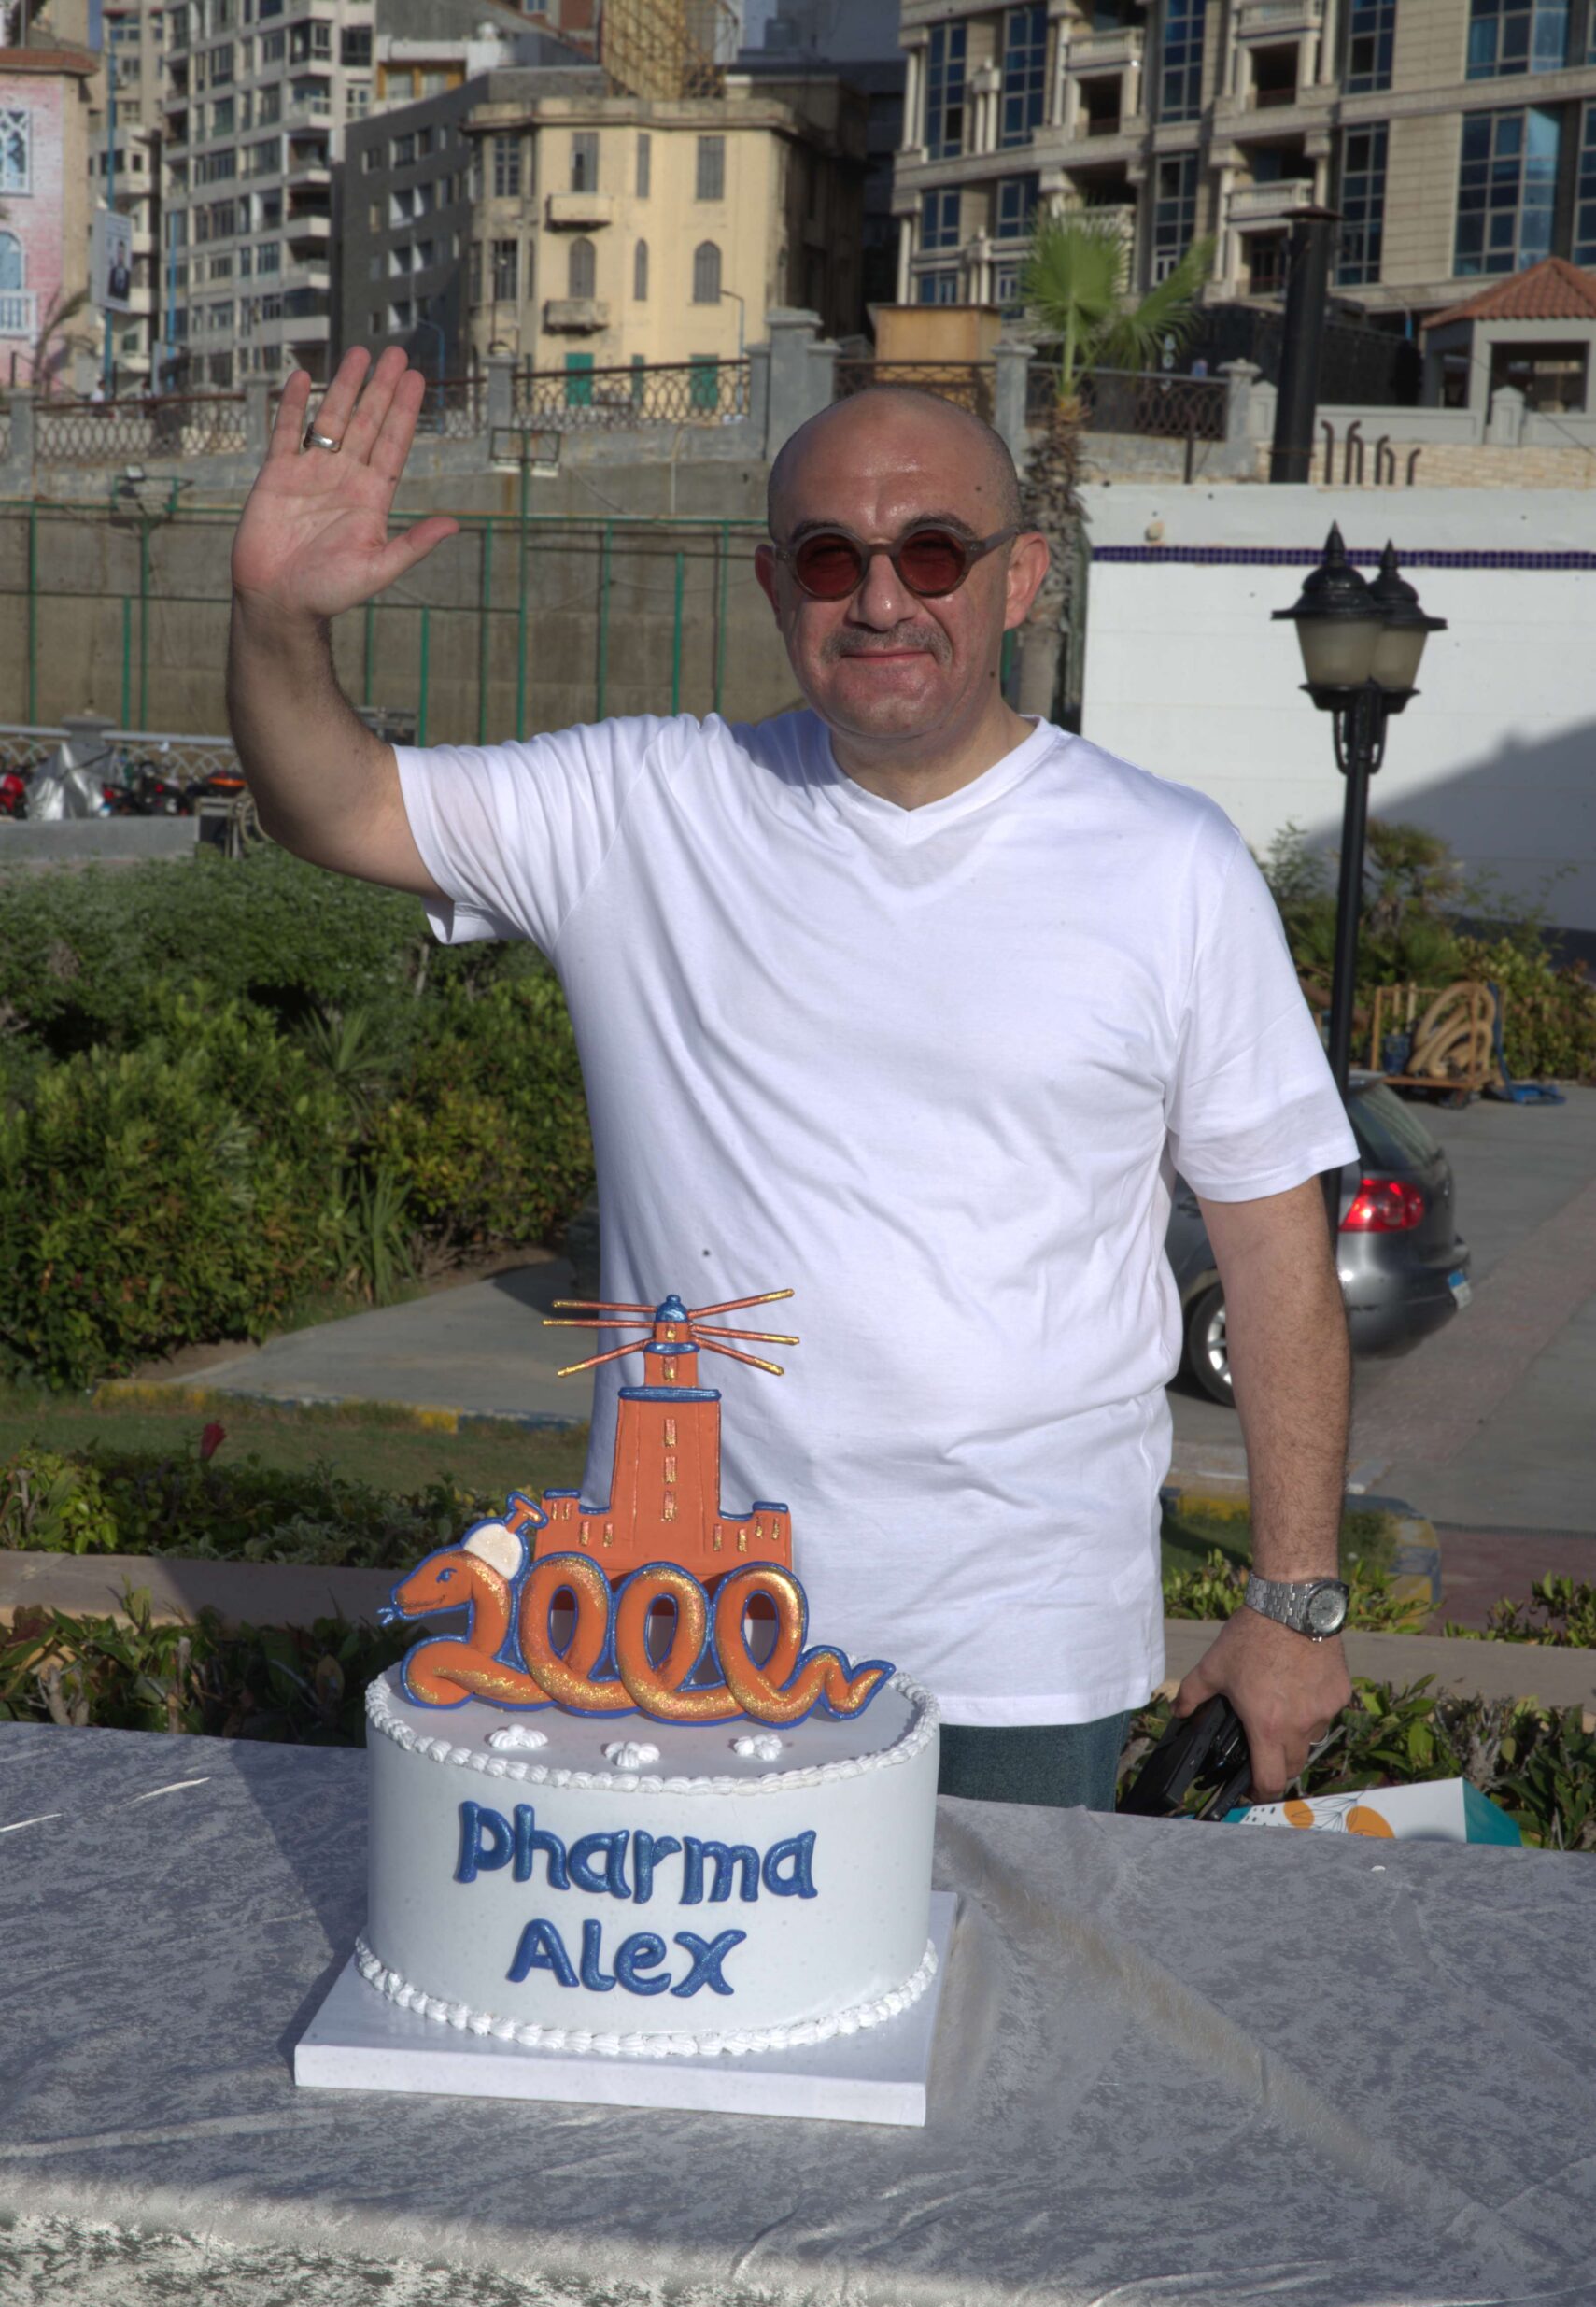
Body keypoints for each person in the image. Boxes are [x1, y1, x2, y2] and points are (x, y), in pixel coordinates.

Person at [227, 345, 1358, 1813]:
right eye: (831, 558)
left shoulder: (1169, 863)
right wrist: (276, 618)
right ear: (775, 588)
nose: (880, 598)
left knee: (999, 1977)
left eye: (932, 551)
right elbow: (335, 803)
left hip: (1017, 1647)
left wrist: (1293, 1602)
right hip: (676, 1649)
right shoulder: (640, 810)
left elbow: (1273, 1252)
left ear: (1018, 579)